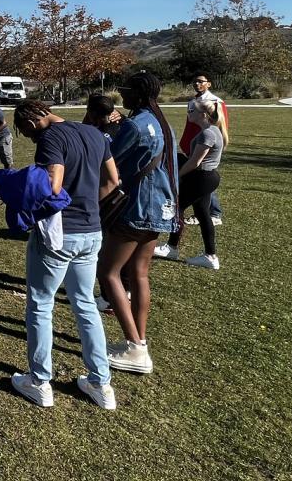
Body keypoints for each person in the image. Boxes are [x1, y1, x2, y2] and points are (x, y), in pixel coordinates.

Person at [8, 100, 121, 410]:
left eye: (25, 133)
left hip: (60, 236)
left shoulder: (50, 139)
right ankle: (101, 383)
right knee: (85, 303)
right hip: (92, 232)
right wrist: (87, 207)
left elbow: (53, 185)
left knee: (41, 304)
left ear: (30, 123)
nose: (29, 138)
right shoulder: (94, 133)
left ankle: (39, 381)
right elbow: (113, 180)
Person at [98, 73, 179, 375]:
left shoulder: (134, 125)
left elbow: (109, 158)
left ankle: (135, 347)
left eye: (124, 90)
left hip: (137, 207)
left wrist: (107, 132)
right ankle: (139, 341)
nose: (121, 94)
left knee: (108, 273)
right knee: (139, 274)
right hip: (161, 207)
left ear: (137, 93)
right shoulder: (163, 122)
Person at [159, 100, 224, 269]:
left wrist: (177, 176)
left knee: (178, 207)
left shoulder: (208, 134)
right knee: (202, 213)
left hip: (202, 177)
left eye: (192, 110)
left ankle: (172, 248)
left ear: (203, 114)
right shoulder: (212, 130)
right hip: (206, 177)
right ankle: (210, 257)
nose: (189, 113)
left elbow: (195, 162)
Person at [177, 74, 228, 226]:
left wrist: (215, 145)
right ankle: (203, 213)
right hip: (195, 144)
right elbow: (190, 124)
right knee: (197, 181)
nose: (197, 84)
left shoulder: (216, 102)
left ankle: (214, 212)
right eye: (195, 81)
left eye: (201, 81)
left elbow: (220, 123)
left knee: (203, 179)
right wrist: (187, 142)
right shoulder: (193, 101)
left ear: (209, 84)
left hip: (205, 146)